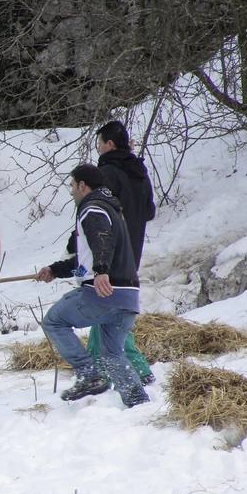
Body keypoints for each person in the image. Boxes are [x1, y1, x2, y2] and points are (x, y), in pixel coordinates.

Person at [36, 164, 149, 408]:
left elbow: (101, 241)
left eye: (72, 186)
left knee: (54, 321)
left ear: (82, 185)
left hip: (104, 294)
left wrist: (101, 272)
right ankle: (138, 403)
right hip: (128, 298)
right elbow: (86, 259)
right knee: (111, 355)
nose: (71, 192)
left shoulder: (92, 208)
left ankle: (88, 373)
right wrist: (56, 270)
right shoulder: (112, 208)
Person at [87, 120, 156, 385]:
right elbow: (149, 211)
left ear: (109, 145)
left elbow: (97, 213)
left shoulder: (105, 173)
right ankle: (98, 366)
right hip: (133, 249)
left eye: (99, 144)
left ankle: (137, 368)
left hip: (110, 253)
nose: (98, 149)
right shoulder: (139, 171)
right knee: (106, 306)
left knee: (108, 307)